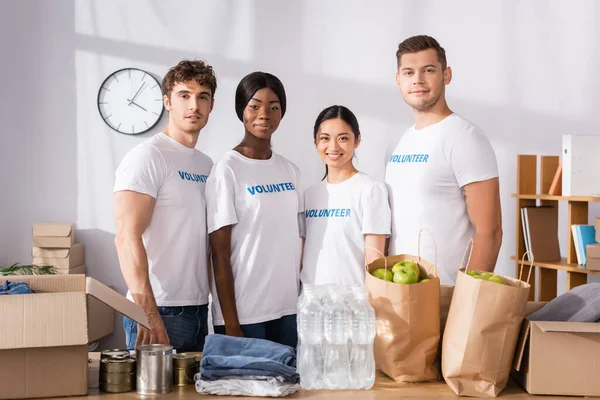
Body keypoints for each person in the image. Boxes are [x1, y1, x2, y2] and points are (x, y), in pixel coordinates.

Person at [113, 59, 217, 351]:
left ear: (211, 105)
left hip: (197, 308)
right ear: (167, 102)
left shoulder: (206, 165)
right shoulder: (147, 156)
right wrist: (148, 312)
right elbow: (125, 238)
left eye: (202, 96)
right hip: (159, 309)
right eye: (184, 95)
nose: (193, 105)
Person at [385, 35, 502, 285]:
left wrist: (466, 300)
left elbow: (490, 232)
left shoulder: (464, 138)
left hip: (447, 295)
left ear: (446, 75)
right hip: (402, 293)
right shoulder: (401, 142)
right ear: (398, 80)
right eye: (408, 72)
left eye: (428, 70)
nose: (417, 80)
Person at [206, 71, 303, 348]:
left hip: (287, 310)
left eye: (274, 107)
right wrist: (231, 323)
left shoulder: (290, 170)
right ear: (242, 110)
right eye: (255, 105)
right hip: (245, 314)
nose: (265, 114)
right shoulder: (227, 169)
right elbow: (219, 253)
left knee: (290, 388)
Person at [301, 105, 391, 286]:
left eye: (343, 138)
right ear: (315, 142)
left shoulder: (371, 190)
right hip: (310, 306)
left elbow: (374, 263)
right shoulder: (309, 196)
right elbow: (302, 257)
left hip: (353, 306)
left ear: (357, 141)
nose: (333, 147)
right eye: (325, 138)